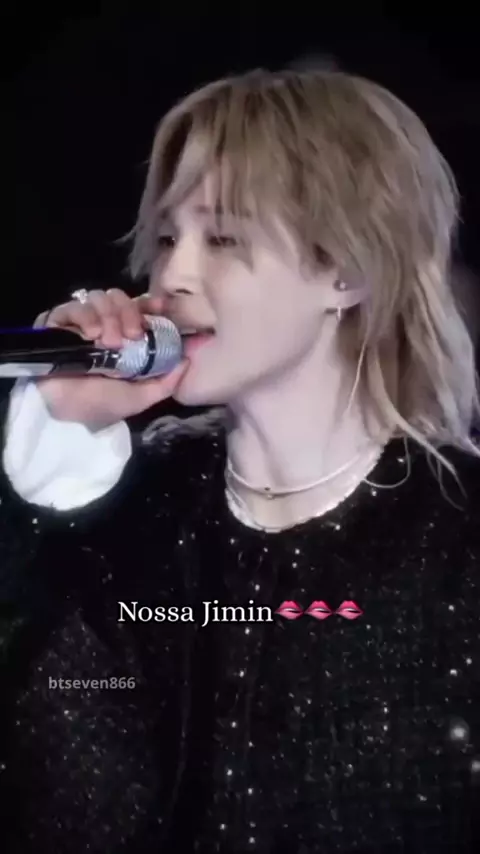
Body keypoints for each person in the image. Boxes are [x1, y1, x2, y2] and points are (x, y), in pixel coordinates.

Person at [1, 66, 480, 854]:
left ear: (346, 271)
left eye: (222, 238)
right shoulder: (135, 507)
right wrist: (61, 426)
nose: (173, 276)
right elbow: (48, 765)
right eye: (167, 238)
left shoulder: (454, 536)